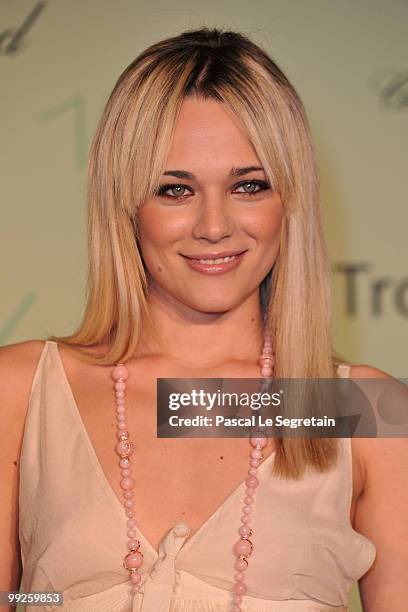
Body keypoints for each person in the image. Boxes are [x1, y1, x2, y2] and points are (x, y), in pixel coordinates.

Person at [1, 27, 407, 612]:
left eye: (248, 185)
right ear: (124, 203)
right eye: (174, 189)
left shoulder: (369, 411)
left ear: (289, 199)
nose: (214, 226)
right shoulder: (22, 392)